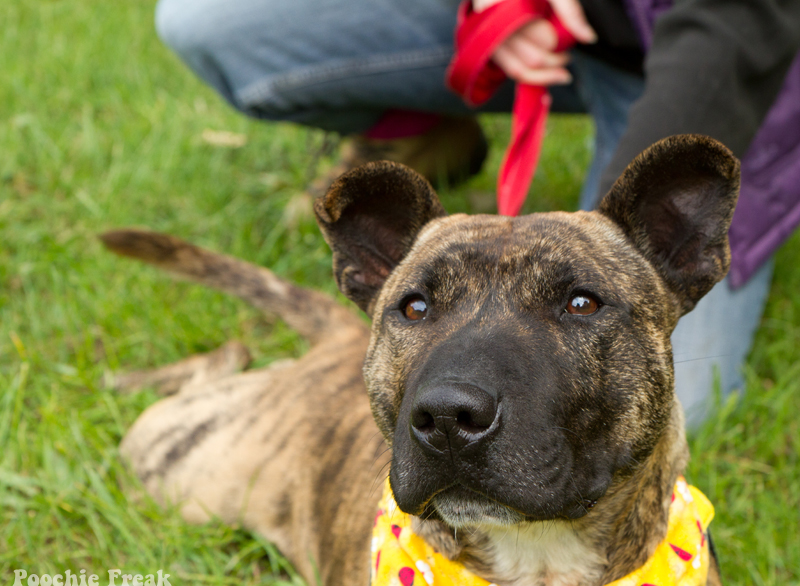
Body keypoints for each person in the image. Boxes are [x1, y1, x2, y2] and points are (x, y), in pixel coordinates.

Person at [153, 0, 800, 427]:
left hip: (734, 50)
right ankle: (423, 126)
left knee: (675, 406)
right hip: (559, 23)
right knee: (207, 23)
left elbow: (738, 20)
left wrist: (606, 255)